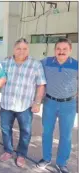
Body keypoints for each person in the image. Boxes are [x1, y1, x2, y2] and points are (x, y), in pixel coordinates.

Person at [0, 38, 46, 168]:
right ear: (14, 49)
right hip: (7, 104)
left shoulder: (35, 64)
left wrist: (37, 102)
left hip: (25, 106)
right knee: (5, 129)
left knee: (25, 132)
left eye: (25, 48)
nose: (21, 51)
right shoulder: (5, 63)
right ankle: (8, 151)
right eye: (18, 48)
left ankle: (21, 155)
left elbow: (41, 84)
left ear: (28, 49)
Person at [36, 38, 78, 173]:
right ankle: (46, 158)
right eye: (58, 49)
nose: (61, 52)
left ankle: (61, 163)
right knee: (47, 132)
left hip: (69, 105)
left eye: (64, 49)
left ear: (70, 50)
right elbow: (31, 66)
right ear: (55, 50)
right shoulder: (46, 62)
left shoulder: (76, 65)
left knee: (66, 135)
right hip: (50, 103)